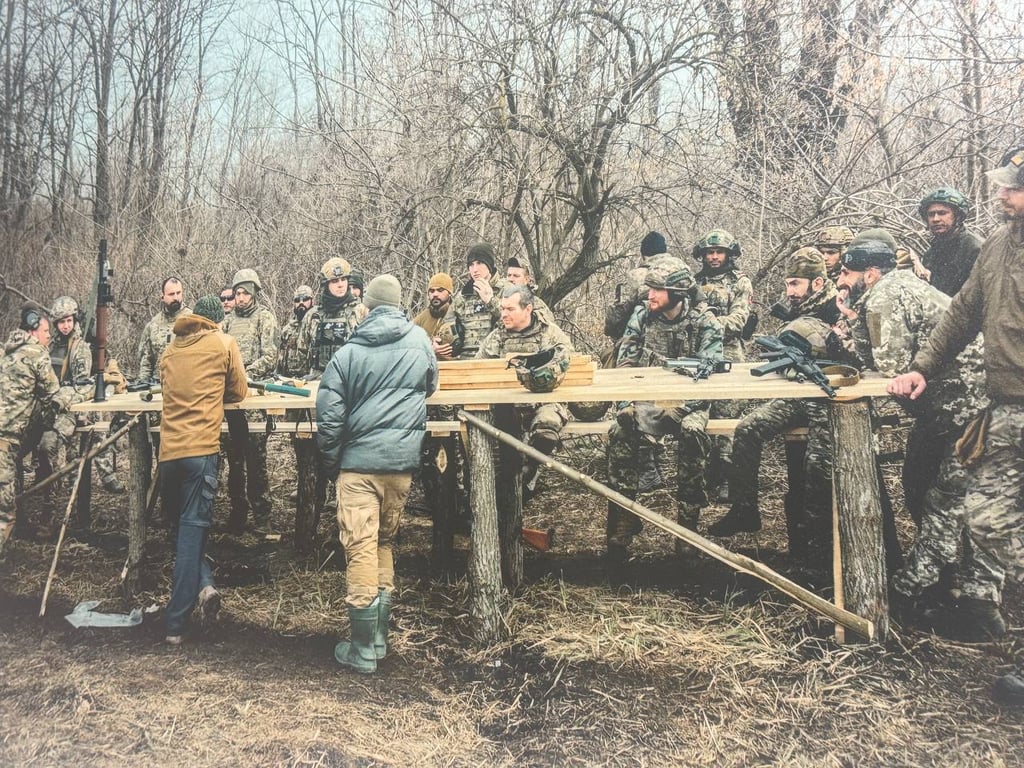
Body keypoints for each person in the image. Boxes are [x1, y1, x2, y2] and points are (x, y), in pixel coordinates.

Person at [889, 145, 1024, 705]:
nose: (1001, 193)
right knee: (990, 521)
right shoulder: (997, 245)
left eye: (1012, 186)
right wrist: (922, 367)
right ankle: (983, 607)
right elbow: (962, 313)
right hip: (1006, 409)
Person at [837, 238, 1002, 640]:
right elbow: (879, 359)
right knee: (934, 493)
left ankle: (932, 597)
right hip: (963, 410)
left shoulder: (885, 296)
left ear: (869, 274)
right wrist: (853, 318)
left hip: (976, 411)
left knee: (947, 503)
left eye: (846, 272)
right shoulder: (895, 288)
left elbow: (891, 369)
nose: (839, 280)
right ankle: (953, 590)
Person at [317, 274, 437, 673]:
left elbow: (329, 417)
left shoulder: (348, 353)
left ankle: (363, 648)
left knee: (360, 549)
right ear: (399, 305)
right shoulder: (420, 340)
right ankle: (379, 638)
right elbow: (430, 386)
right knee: (383, 543)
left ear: (365, 307)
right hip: (400, 465)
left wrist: (332, 463)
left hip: (359, 466)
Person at [709, 247, 841, 555]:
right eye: (787, 284)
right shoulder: (800, 305)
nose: (789, 291)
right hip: (798, 394)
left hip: (828, 398)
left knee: (816, 474)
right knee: (747, 429)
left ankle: (815, 554)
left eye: (795, 284)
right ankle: (745, 508)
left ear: (817, 283)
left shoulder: (837, 307)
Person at [606, 258, 723, 568]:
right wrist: (625, 404)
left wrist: (683, 408)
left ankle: (687, 527)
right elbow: (625, 365)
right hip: (648, 398)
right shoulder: (642, 315)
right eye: (650, 289)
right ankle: (622, 519)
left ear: (678, 293)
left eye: (658, 290)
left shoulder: (705, 322)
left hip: (691, 401)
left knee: (692, 432)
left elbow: (712, 377)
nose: (650, 295)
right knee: (620, 431)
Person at [161, 296, 248, 644]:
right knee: (190, 535)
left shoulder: (170, 349)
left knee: (181, 530)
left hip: (169, 455)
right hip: (201, 452)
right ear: (215, 322)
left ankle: (206, 584)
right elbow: (239, 390)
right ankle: (175, 625)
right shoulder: (224, 343)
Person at [0, 305, 83, 556]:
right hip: (6, 443)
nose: (49, 336)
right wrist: (80, 392)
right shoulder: (37, 353)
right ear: (33, 331)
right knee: (3, 515)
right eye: (46, 331)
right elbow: (53, 395)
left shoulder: (7, 351)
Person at [478, 284, 573, 500]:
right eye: (502, 308)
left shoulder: (550, 333)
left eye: (510, 309)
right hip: (506, 407)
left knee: (547, 428)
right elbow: (478, 369)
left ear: (528, 309)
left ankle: (530, 466)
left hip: (544, 402)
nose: (503, 314)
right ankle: (510, 485)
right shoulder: (496, 337)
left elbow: (570, 366)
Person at [37, 296, 121, 494]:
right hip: (53, 404)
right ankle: (55, 483)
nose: (66, 326)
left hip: (75, 405)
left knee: (90, 445)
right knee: (46, 446)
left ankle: (96, 480)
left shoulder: (79, 348)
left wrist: (65, 400)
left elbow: (82, 386)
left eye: (69, 321)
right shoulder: (51, 346)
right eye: (61, 322)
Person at [692, 229, 753, 501]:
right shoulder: (695, 283)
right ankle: (705, 476)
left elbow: (738, 320)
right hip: (700, 357)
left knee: (728, 420)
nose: (714, 257)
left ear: (729, 254)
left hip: (730, 357)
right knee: (700, 415)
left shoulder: (740, 282)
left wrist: (708, 325)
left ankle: (729, 478)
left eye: (719, 252)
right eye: (710, 252)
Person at [222, 268, 279, 533]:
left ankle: (262, 516)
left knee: (256, 459)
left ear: (254, 293)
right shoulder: (226, 322)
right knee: (234, 459)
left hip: (254, 398)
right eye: (238, 293)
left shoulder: (265, 318)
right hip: (230, 399)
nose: (241, 298)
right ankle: (238, 512)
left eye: (246, 293)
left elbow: (270, 355)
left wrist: (245, 374)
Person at [297, 257, 368, 378]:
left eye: (343, 279)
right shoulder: (313, 316)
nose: (340, 285)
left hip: (351, 382)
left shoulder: (361, 312)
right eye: (335, 281)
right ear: (326, 284)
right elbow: (301, 354)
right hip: (317, 382)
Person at [914, 187, 982, 296]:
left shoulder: (974, 249)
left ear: (957, 216)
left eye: (942, 213)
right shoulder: (932, 253)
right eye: (931, 214)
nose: (935, 219)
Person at [604, 230, 668, 343]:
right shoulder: (682, 272)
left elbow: (617, 315)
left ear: (643, 255)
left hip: (641, 341)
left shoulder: (635, 276)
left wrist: (610, 331)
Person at [451, 242, 506, 359]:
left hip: (495, 359)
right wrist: (439, 342)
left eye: (479, 263)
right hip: (465, 361)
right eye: (471, 265)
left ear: (489, 265)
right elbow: (447, 324)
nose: (475, 269)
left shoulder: (507, 290)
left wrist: (490, 301)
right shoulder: (463, 295)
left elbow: (515, 323)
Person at [138, 277, 192, 382]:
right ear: (162, 297)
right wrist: (143, 383)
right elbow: (146, 361)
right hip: (158, 383)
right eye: (171, 294)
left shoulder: (193, 320)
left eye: (178, 293)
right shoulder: (153, 325)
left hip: (185, 383)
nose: (176, 298)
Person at [412, 272, 457, 360]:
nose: (435, 294)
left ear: (449, 293)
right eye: (432, 291)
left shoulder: (459, 313)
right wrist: (430, 348)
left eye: (440, 290)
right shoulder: (421, 318)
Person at [277, 284, 314, 378]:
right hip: (288, 379)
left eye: (305, 299)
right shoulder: (287, 329)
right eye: (297, 300)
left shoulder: (316, 324)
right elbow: (281, 356)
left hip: (310, 379)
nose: (301, 303)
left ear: (312, 301)